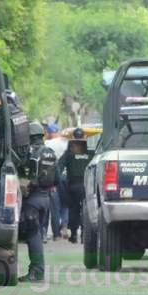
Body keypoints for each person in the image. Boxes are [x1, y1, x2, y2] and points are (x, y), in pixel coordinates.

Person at [19, 121, 57, 282]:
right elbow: (57, 179)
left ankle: (37, 271)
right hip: (46, 199)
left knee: (33, 236)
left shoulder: (29, 152)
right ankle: (35, 270)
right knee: (37, 234)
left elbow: (22, 173)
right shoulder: (50, 152)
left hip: (32, 199)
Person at [58, 127, 92, 243]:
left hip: (73, 186)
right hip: (88, 186)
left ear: (73, 138)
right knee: (87, 209)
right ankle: (84, 234)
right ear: (84, 137)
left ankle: (73, 234)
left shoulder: (69, 153)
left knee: (74, 210)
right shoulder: (90, 152)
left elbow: (59, 167)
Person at [44, 123, 68, 240]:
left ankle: (56, 234)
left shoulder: (47, 144)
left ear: (49, 133)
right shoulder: (66, 143)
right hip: (67, 178)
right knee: (65, 204)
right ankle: (64, 225)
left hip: (53, 178)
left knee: (55, 206)